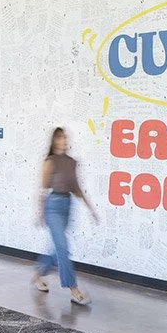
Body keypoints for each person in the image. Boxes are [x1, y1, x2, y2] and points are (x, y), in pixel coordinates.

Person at [33, 127, 98, 305]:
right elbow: (43, 189)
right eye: (59, 138)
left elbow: (76, 187)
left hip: (67, 205)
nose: (63, 141)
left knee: (57, 248)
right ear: (54, 140)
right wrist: (40, 212)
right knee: (62, 247)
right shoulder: (50, 161)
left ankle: (38, 275)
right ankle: (73, 289)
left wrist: (90, 208)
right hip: (52, 206)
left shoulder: (71, 162)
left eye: (65, 138)